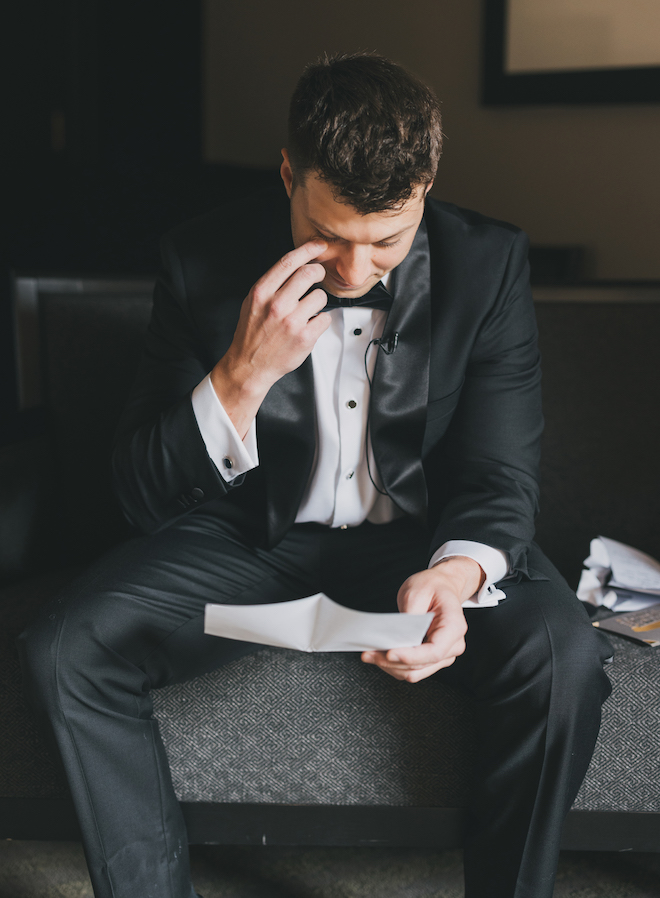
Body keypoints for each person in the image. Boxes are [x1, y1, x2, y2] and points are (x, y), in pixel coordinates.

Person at [19, 52, 612, 898]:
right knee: (67, 646)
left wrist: (455, 571)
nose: (355, 269)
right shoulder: (199, 258)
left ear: (427, 184)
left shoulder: (489, 264)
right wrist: (239, 377)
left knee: (564, 657)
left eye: (387, 242)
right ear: (290, 174)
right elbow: (140, 496)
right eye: (329, 235)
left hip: (416, 542)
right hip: (245, 542)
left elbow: (496, 468)